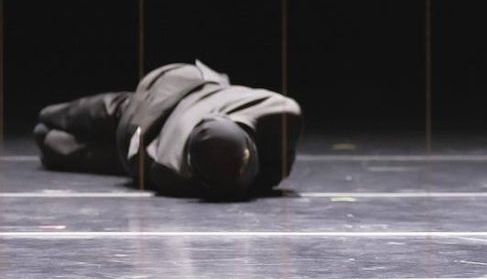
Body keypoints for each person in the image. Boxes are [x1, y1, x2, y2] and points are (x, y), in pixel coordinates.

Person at [34, 59, 303, 201]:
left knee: (62, 128)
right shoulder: (176, 172)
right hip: (145, 120)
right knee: (58, 138)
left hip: (149, 113)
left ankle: (49, 130)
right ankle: (50, 135)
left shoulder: (278, 111)